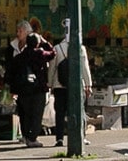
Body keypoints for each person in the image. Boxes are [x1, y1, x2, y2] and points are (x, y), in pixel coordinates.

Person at [6, 18, 56, 148]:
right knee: (36, 114)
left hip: (23, 89)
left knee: (24, 114)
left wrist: (12, 89)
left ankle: (26, 136)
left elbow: (11, 72)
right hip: (38, 88)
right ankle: (33, 138)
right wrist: (45, 42)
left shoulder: (18, 57)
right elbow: (53, 53)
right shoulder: (40, 54)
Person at [51, 20, 93, 144]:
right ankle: (81, 136)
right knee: (79, 110)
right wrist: (88, 84)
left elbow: (52, 68)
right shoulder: (80, 48)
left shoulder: (57, 48)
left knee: (59, 112)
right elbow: (85, 68)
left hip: (59, 85)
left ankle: (59, 137)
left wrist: (49, 84)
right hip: (76, 85)